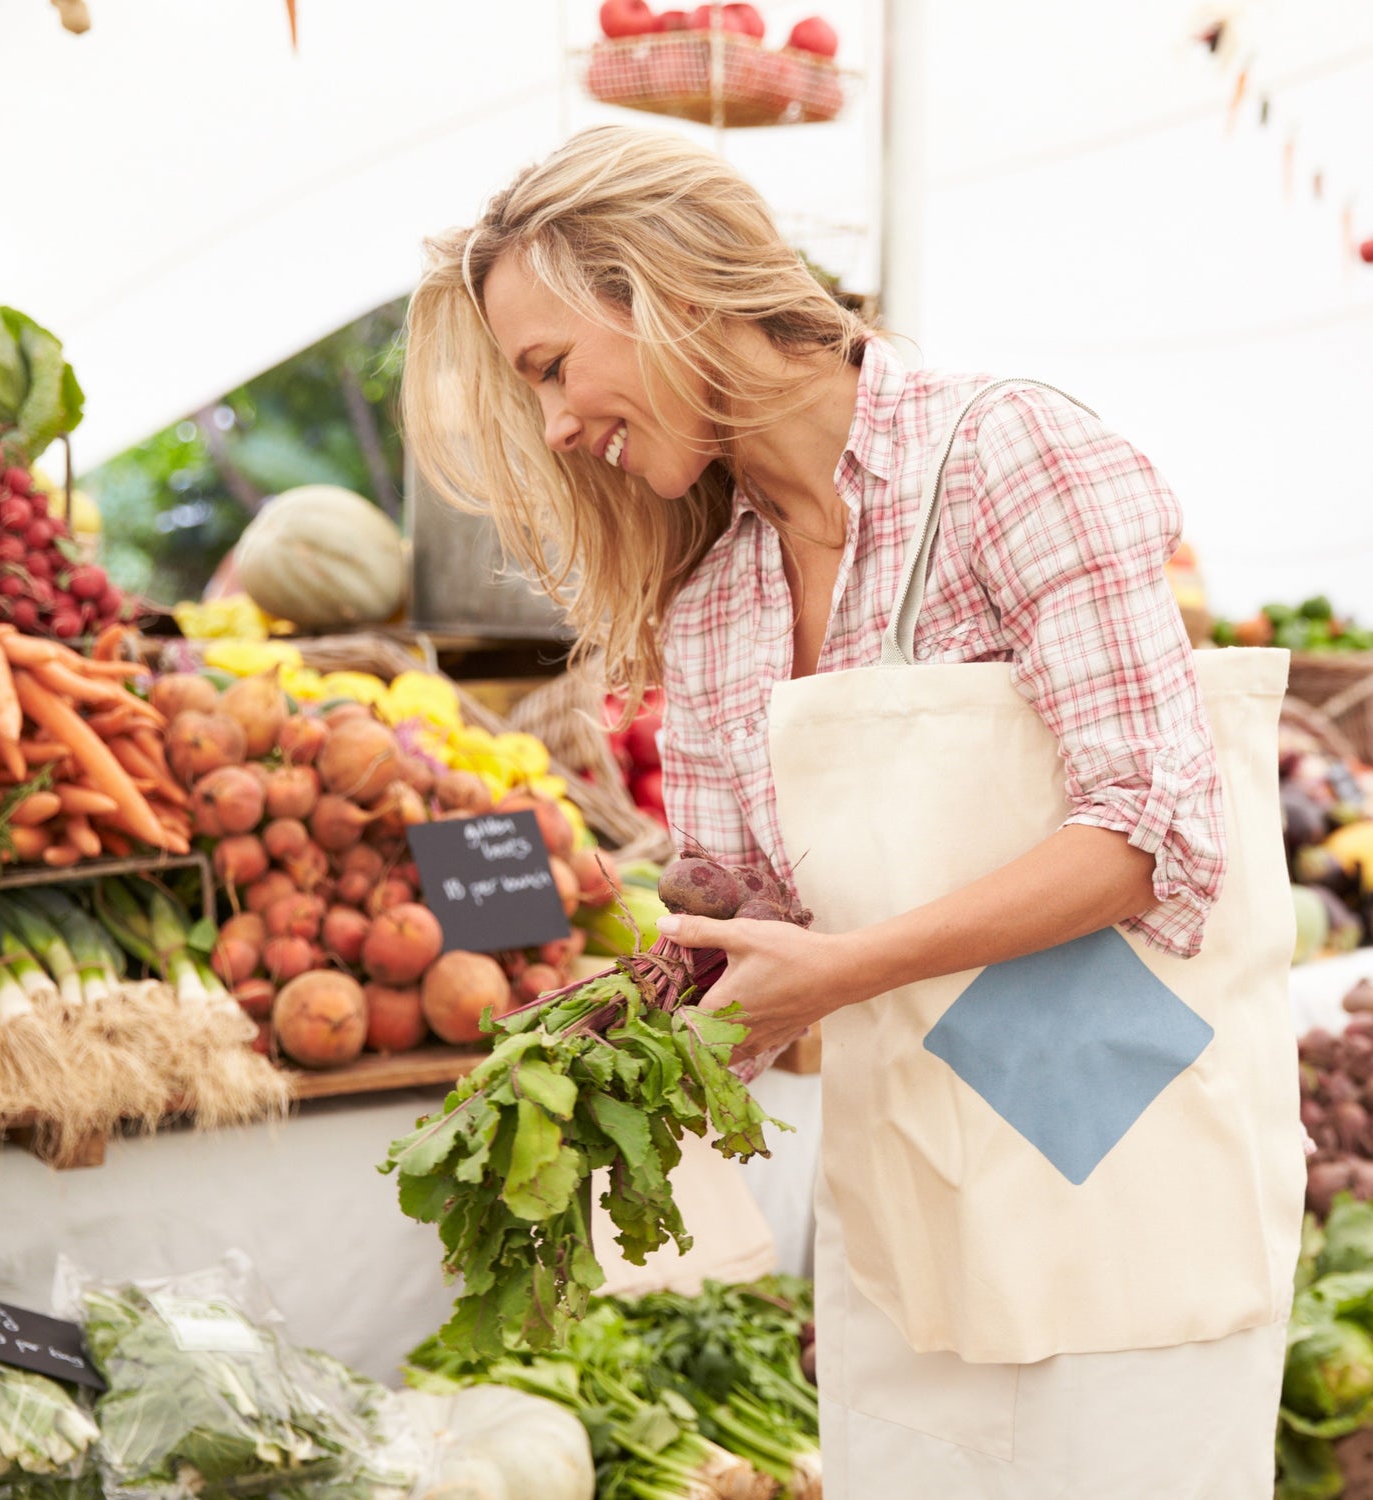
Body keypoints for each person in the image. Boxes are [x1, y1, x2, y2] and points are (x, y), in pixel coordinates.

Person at [400, 124, 1301, 1498]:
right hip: (918, 1186)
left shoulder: (1011, 455)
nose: (556, 426)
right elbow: (757, 911)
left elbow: (1146, 836)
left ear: (665, 293)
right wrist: (601, 1035)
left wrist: (839, 973)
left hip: (1121, 1152)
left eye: (550, 368)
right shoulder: (716, 595)